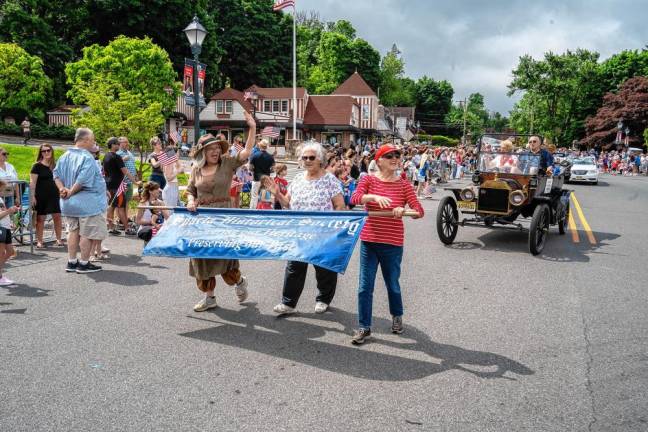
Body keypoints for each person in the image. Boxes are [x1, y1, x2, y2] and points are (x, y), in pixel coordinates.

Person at [349, 145, 424, 345]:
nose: (394, 158)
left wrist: (403, 209)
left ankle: (397, 315)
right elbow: (354, 198)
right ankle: (364, 327)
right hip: (370, 241)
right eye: (389, 155)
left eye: (397, 155)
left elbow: (419, 210)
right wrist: (373, 197)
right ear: (379, 160)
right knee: (365, 287)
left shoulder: (403, 184)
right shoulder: (368, 179)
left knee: (392, 284)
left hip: (392, 242)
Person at [185, 112, 257, 312]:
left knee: (224, 256)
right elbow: (191, 190)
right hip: (200, 219)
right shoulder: (196, 169)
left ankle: (239, 281)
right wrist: (191, 200)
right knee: (202, 257)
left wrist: (252, 127)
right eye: (211, 149)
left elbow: (247, 152)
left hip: (222, 216)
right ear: (203, 152)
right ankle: (209, 298)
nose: (216, 151)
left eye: (217, 147)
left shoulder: (227, 163)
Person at [269, 142, 345, 315]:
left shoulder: (329, 179)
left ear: (320, 159)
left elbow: (340, 206)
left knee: (324, 268)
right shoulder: (297, 179)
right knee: (294, 267)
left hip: (322, 233)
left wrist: (333, 229)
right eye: (305, 158)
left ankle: (323, 299)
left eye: (312, 157)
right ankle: (288, 303)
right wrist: (277, 194)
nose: (308, 161)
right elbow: (287, 203)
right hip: (300, 231)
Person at [53, 127, 107, 274]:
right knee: (87, 234)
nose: (94, 142)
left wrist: (62, 188)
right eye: (92, 139)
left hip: (68, 203)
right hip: (87, 203)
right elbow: (83, 179)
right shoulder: (87, 157)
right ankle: (83, 263)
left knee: (72, 231)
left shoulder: (65, 156)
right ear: (85, 140)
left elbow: (56, 174)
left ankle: (71, 262)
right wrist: (70, 191)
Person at [29, 144, 64, 248]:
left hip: (55, 195)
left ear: (52, 151)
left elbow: (61, 179)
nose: (46, 152)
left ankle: (58, 239)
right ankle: (40, 241)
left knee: (57, 217)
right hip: (41, 195)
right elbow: (32, 182)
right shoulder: (37, 166)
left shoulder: (56, 165)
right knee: (40, 219)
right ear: (41, 153)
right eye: (43, 151)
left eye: (48, 150)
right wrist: (32, 196)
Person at [103, 137, 139, 235]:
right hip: (117, 186)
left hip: (109, 184)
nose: (119, 145)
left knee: (112, 206)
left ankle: (111, 227)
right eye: (117, 144)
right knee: (121, 207)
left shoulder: (106, 156)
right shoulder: (116, 157)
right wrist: (135, 182)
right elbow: (125, 171)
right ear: (113, 145)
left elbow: (104, 171)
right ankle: (127, 228)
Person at [0, 181, 19, 285]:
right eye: (2, 189)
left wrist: (9, 221)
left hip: (5, 227)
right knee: (1, 253)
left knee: (10, 251)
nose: (3, 191)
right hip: (1, 228)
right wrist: (9, 211)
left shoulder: (0, 199)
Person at [249, 139, 275, 209]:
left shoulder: (254, 155)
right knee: (265, 197)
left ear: (260, 145)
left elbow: (250, 168)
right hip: (266, 179)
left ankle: (252, 211)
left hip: (256, 178)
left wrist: (255, 169)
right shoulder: (270, 157)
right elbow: (273, 169)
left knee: (254, 196)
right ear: (266, 147)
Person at [116, 136, 137, 214]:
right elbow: (114, 165)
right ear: (120, 143)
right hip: (122, 181)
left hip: (130, 181)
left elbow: (133, 165)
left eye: (127, 142)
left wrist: (135, 175)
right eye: (125, 142)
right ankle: (119, 219)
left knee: (127, 200)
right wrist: (123, 159)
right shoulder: (118, 153)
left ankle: (125, 217)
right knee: (120, 201)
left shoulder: (129, 152)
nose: (127, 143)